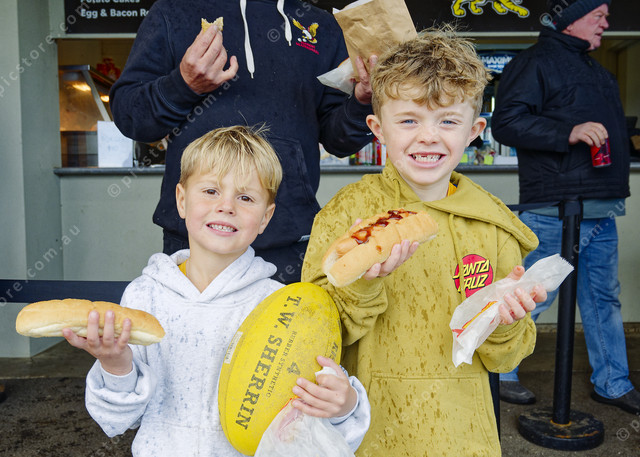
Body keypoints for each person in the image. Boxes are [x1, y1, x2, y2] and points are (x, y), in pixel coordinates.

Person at [301, 30, 548, 456]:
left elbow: (504, 360)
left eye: (448, 121)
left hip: (464, 435)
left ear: (474, 131)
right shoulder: (347, 214)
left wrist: (505, 322)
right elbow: (314, 333)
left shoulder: (494, 226)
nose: (429, 136)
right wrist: (363, 285)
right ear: (378, 128)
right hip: (368, 432)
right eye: (409, 120)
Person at [62, 126, 371, 456]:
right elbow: (119, 419)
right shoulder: (144, 297)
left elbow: (306, 426)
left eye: (245, 197)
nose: (226, 206)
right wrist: (115, 365)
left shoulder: (280, 307)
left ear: (265, 217)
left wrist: (344, 406)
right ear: (182, 200)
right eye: (210, 191)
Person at [110, 0, 376, 284]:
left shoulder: (322, 26)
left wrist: (362, 103)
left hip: (289, 242)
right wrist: (183, 85)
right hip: (193, 240)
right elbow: (130, 117)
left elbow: (339, 141)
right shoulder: (173, 11)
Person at [492, 0, 640, 414]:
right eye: (599, 16)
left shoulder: (597, 70)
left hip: (601, 207)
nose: (606, 23)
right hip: (555, 208)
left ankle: (613, 383)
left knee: (604, 299)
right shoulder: (533, 62)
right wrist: (568, 131)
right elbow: (506, 122)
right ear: (572, 20)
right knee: (531, 295)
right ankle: (501, 372)